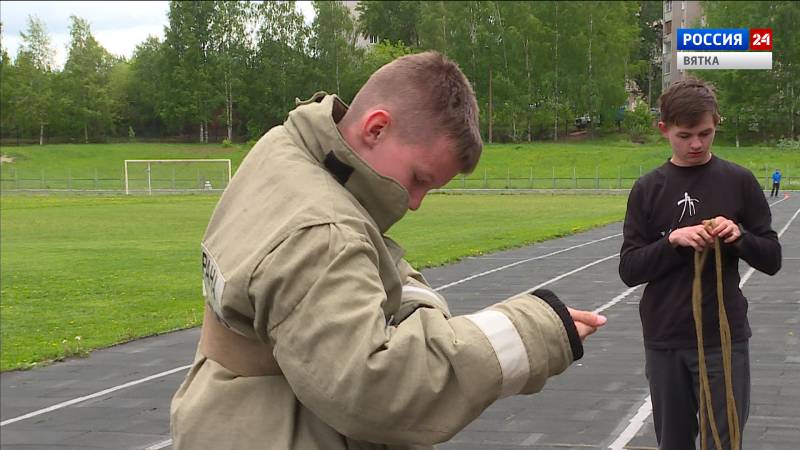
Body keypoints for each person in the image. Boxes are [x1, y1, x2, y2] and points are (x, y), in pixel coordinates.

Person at [171, 51, 607, 450]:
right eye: (419, 178)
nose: (415, 202)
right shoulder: (322, 232)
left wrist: (413, 301)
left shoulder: (288, 150)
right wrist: (533, 331)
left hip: (224, 415)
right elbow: (373, 386)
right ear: (376, 128)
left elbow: (363, 248)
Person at [619, 77, 782, 450]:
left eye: (705, 133)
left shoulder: (739, 181)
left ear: (716, 123)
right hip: (665, 338)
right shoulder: (648, 188)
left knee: (723, 443)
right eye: (685, 135)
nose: (696, 144)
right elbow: (629, 269)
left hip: (722, 340)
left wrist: (738, 236)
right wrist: (672, 242)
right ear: (664, 130)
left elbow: (772, 258)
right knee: (674, 443)